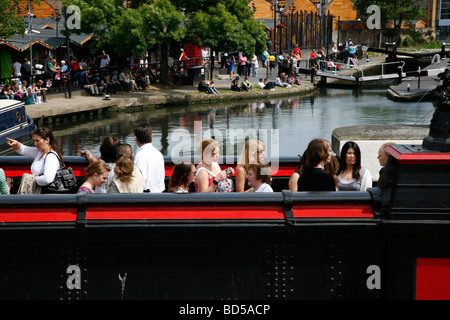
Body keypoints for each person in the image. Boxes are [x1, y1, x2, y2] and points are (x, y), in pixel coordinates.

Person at [6, 127, 63, 192]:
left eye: (37, 141)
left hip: (45, 194)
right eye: (34, 141)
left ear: (47, 140)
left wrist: (31, 179)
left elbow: (47, 179)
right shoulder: (40, 152)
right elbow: (24, 149)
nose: (35, 144)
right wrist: (16, 144)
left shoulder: (51, 157)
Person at [134, 123, 165, 193]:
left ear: (136, 139)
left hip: (147, 197)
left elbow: (140, 181)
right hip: (161, 194)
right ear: (151, 137)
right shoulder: (158, 154)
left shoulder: (140, 156)